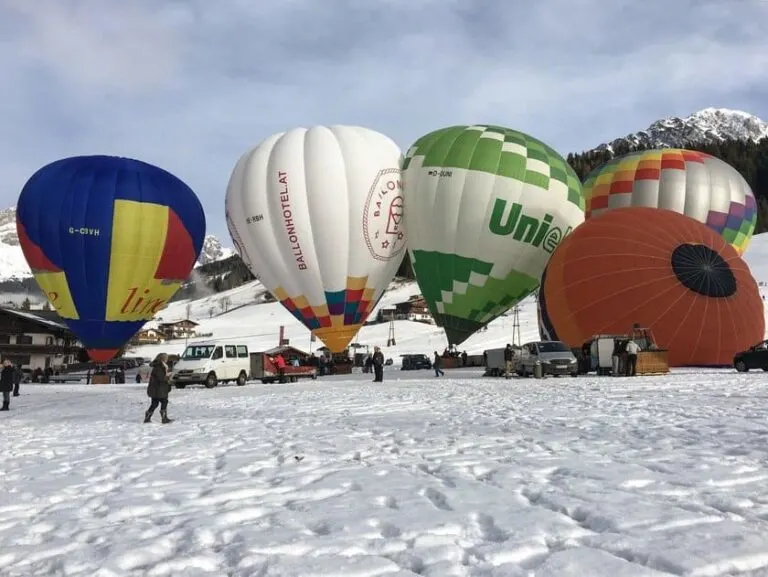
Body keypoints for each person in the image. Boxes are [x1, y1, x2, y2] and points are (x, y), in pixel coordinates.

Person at [144, 353, 173, 423]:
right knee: (164, 401)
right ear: (162, 359)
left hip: (158, 388)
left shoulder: (162, 366)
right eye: (165, 358)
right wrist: (168, 377)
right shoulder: (158, 367)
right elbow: (161, 378)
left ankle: (148, 416)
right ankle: (164, 418)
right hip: (158, 389)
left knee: (155, 403)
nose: (167, 359)